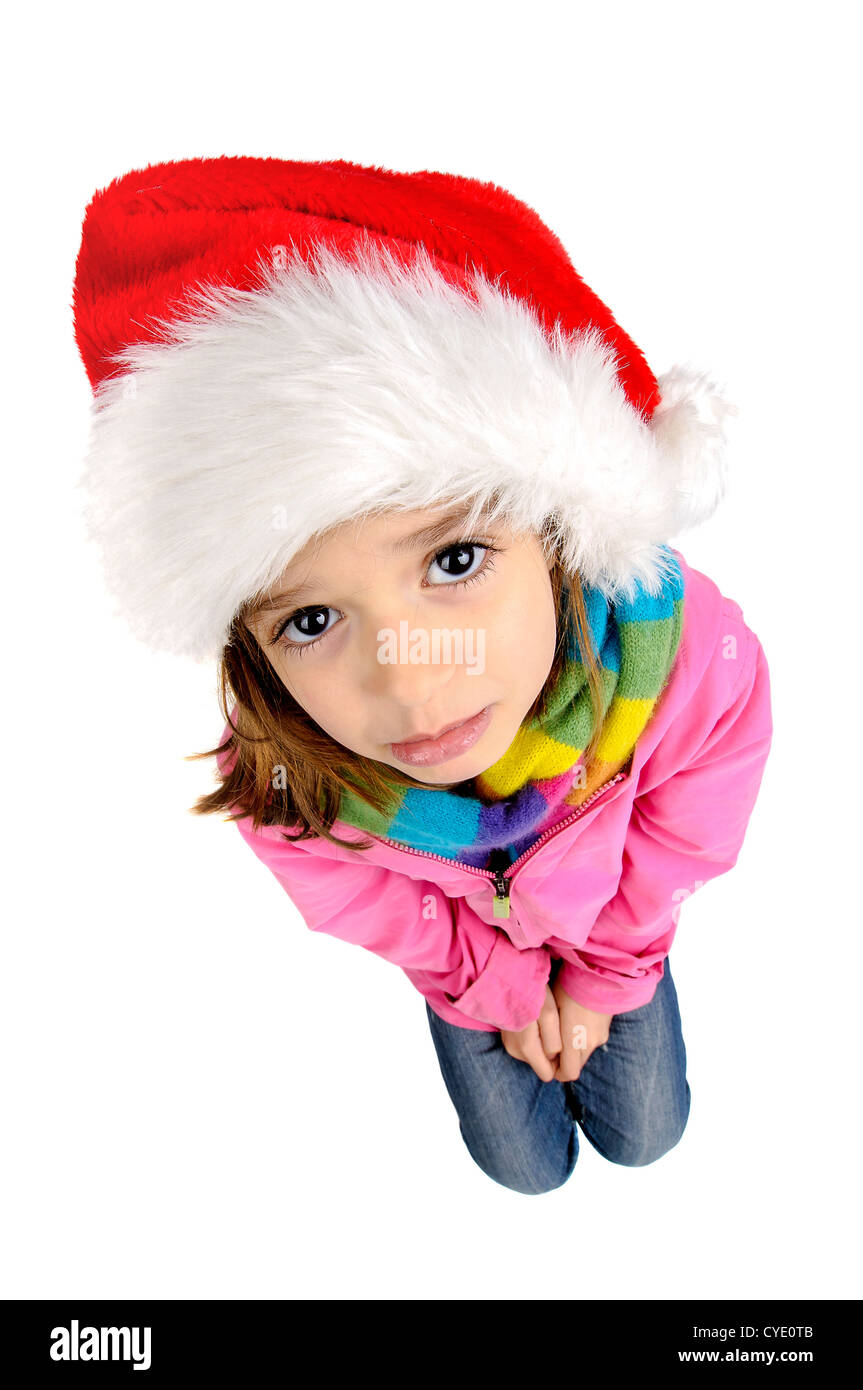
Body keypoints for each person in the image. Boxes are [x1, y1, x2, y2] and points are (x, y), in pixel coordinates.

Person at [72, 155, 773, 1195]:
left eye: (453, 561)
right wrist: (489, 988)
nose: (407, 687)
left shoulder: (681, 666)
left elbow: (683, 826)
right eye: (311, 619)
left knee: (646, 1133)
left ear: (552, 535)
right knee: (521, 1168)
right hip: (462, 965)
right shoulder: (288, 774)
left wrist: (607, 973)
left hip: (613, 930)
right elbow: (364, 899)